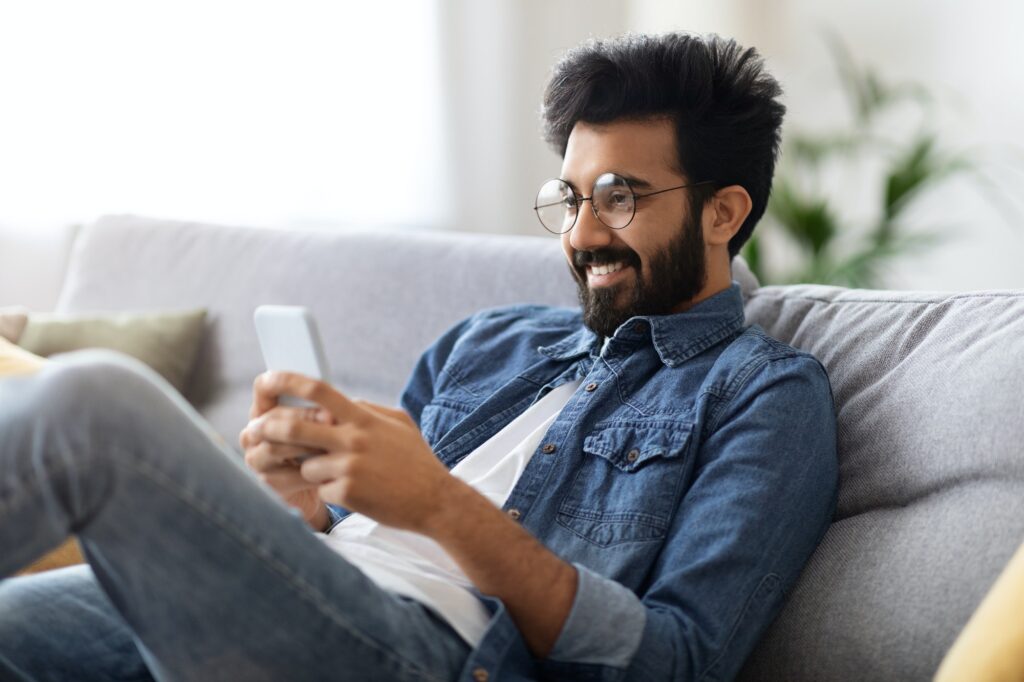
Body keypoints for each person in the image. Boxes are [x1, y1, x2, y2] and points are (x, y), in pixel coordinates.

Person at [0, 32, 838, 681]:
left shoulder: (764, 395)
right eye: (573, 199)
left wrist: (439, 505)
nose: (582, 235)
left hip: (434, 654)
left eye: (620, 199)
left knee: (97, 408)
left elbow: (678, 661)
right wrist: (307, 505)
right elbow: (359, 528)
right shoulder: (487, 343)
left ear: (724, 212)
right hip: (315, 597)